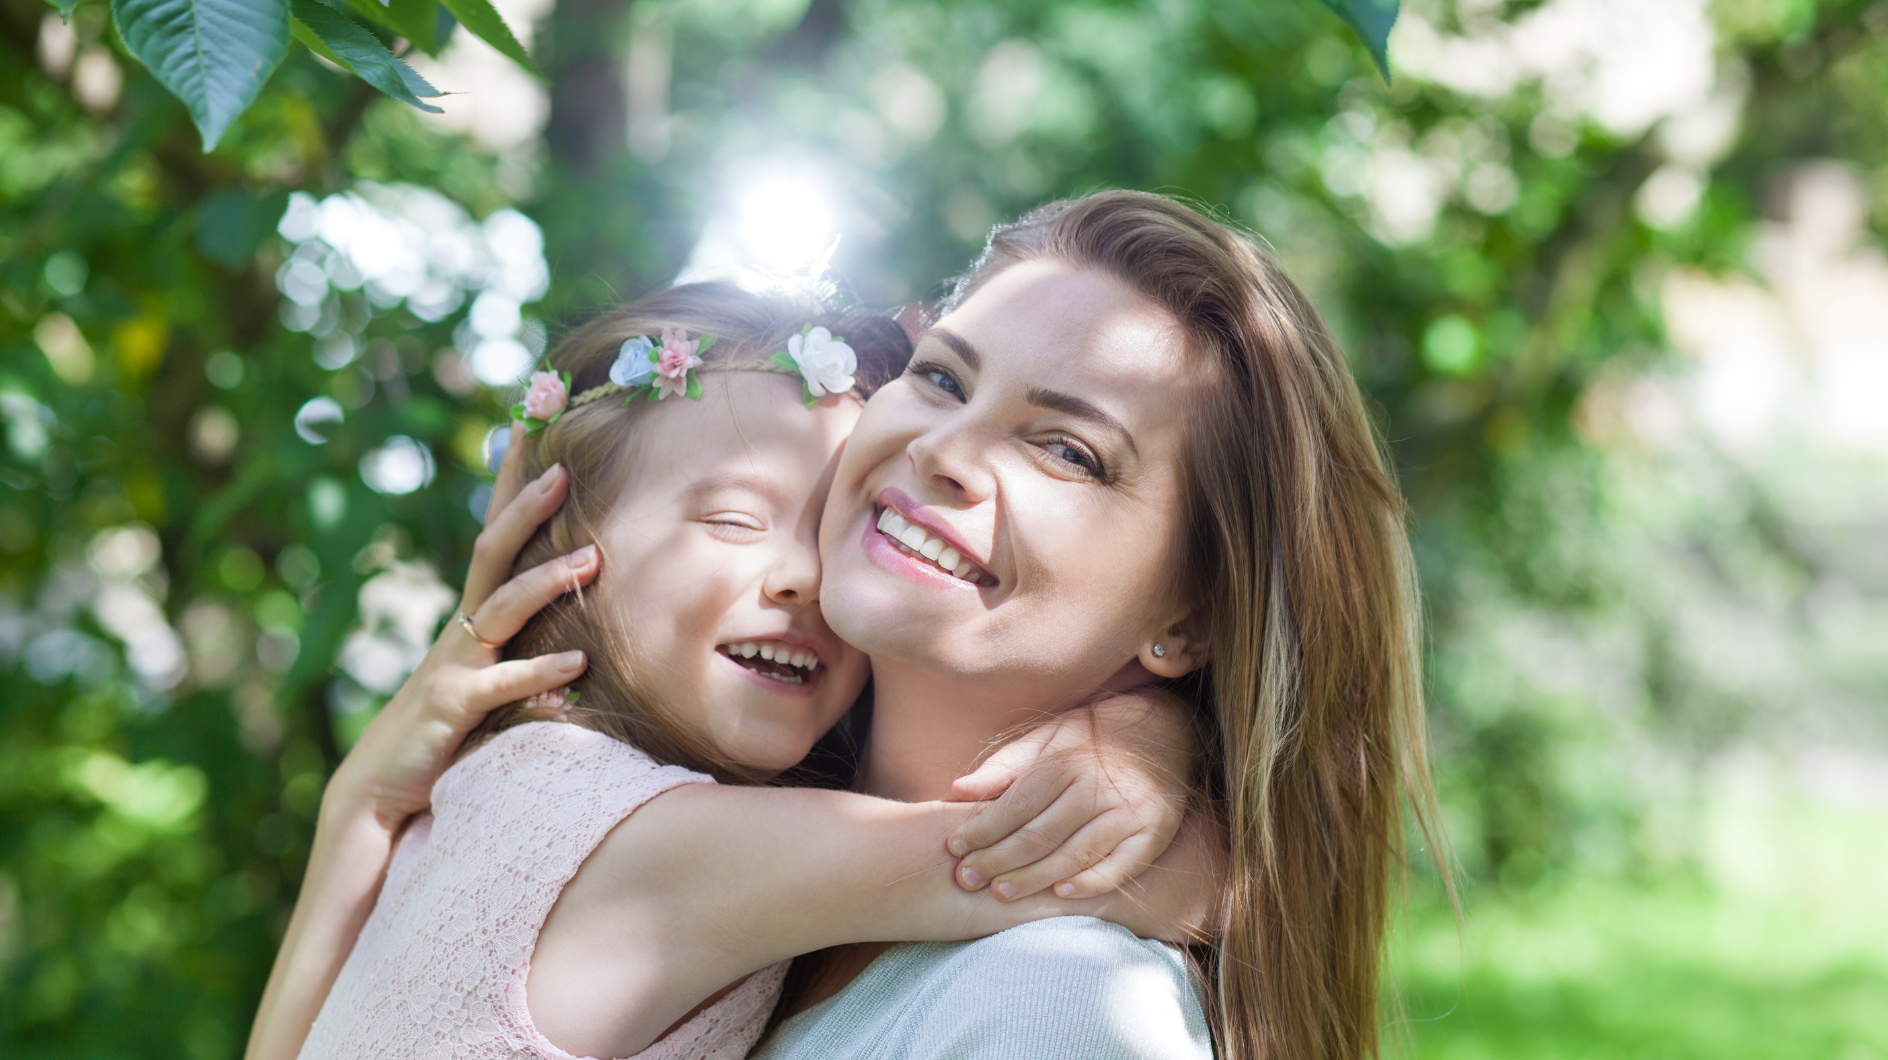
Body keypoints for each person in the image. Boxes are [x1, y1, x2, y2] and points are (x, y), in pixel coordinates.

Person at [266, 189, 1446, 1060]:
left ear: (1188, 619)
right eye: (940, 377)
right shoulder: (699, 843)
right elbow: (1184, 883)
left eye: (1068, 447)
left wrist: (1154, 754)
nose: (943, 449)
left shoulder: (1054, 1005)